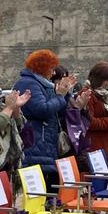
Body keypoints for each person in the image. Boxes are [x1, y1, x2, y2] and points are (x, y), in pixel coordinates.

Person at [16, 50, 76, 184]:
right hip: (35, 145)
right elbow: (42, 110)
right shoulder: (29, 84)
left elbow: (56, 112)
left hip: (45, 146)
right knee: (39, 194)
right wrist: (60, 95)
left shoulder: (43, 85)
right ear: (42, 68)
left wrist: (66, 95)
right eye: (52, 69)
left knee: (50, 195)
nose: (53, 73)